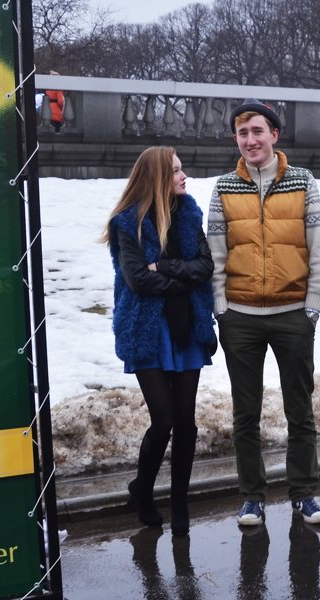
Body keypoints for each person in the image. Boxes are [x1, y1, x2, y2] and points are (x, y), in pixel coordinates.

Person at [207, 98, 320, 528]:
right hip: (240, 318)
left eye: (257, 131)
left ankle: (305, 494)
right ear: (236, 140)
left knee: (300, 409)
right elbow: (215, 255)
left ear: (274, 136)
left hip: (292, 314)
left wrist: (311, 308)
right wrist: (221, 309)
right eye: (243, 134)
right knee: (246, 413)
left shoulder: (302, 181)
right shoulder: (224, 187)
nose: (250, 140)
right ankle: (252, 498)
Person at [104, 146, 216, 537]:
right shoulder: (127, 223)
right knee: (164, 419)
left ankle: (181, 503)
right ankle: (144, 490)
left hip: (187, 328)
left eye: (183, 169)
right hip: (147, 330)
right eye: (176, 171)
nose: (184, 176)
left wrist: (165, 267)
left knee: (186, 421)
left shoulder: (189, 212)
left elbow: (206, 267)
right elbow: (138, 280)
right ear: (155, 178)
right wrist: (179, 277)